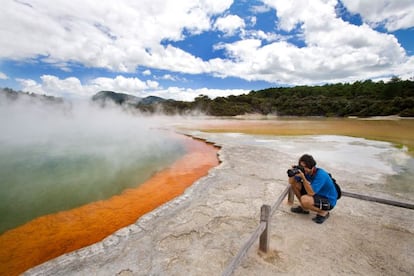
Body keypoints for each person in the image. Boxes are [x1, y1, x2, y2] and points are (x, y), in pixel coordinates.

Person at [288, 154, 337, 224]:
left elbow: (311, 193)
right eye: (301, 167)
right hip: (317, 194)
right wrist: (292, 174)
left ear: (312, 167)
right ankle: (305, 208)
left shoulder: (321, 175)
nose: (303, 169)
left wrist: (303, 178)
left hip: (328, 200)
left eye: (305, 167)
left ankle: (324, 212)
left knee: (304, 200)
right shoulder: (304, 172)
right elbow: (291, 182)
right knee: (295, 185)